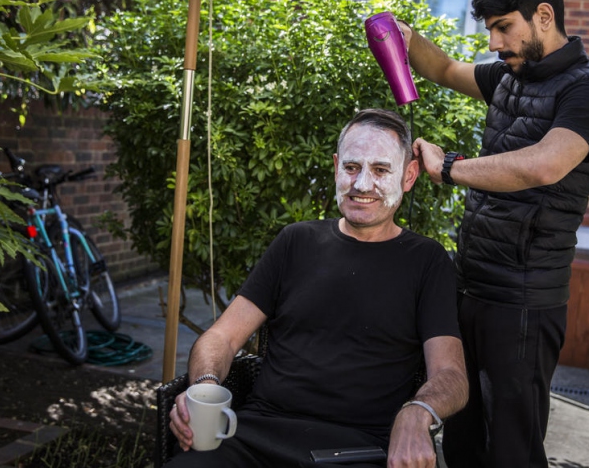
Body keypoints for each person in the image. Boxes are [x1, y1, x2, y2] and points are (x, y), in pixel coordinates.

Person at [399, 0, 589, 468]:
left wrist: (448, 167)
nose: (494, 43)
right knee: (464, 442)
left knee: (512, 453)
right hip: (470, 288)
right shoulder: (509, 76)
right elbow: (445, 67)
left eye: (504, 27)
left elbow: (543, 165)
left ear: (544, 16)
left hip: (523, 303)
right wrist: (402, 36)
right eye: (490, 30)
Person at [167, 108, 468, 468]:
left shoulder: (427, 261)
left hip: (358, 452)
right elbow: (222, 337)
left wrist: (419, 411)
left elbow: (451, 375)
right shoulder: (296, 241)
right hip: (255, 438)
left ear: (409, 176)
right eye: (352, 168)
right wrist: (203, 386)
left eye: (381, 170)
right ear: (336, 166)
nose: (361, 185)